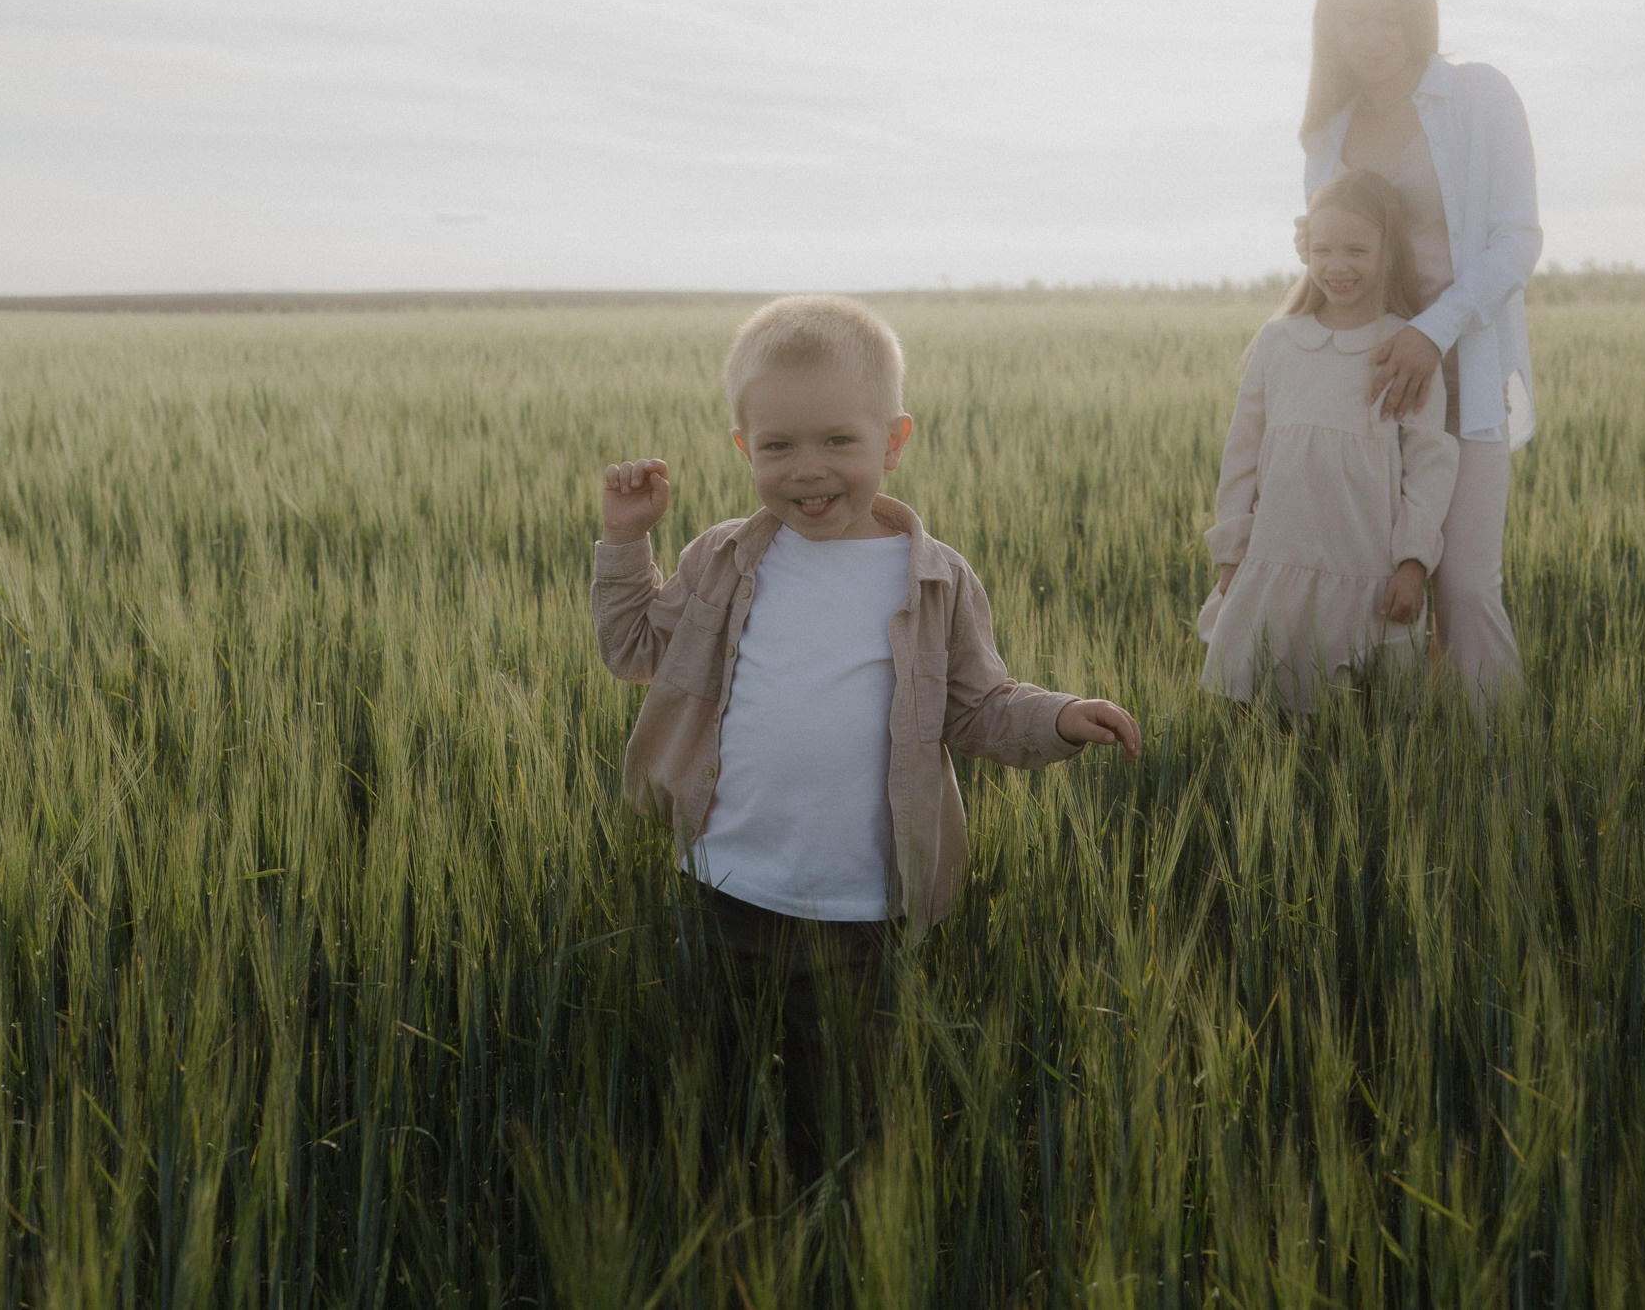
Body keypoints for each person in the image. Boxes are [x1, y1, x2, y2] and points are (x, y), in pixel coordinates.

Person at [592, 293, 1141, 1183]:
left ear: (893, 440)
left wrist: (1058, 717)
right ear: (744, 449)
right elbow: (631, 650)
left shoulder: (933, 579)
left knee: (841, 1113)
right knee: (712, 1094)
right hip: (722, 884)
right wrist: (626, 540)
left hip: (859, 911)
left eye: (838, 441)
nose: (808, 469)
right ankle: (723, 1214)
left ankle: (832, 1230)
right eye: (778, 446)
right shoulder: (723, 560)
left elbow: (977, 704)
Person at [1298, 0, 1542, 703]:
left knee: (1464, 586)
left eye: (1390, 17)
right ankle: (1394, 757)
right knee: (1375, 590)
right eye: (1354, 19)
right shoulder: (1327, 136)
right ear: (1330, 27)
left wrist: (1430, 333)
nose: (1372, 37)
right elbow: (1339, 262)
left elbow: (1517, 239)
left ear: (1418, 15)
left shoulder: (1479, 98)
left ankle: (1497, 761)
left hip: (1465, 374)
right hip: (1370, 385)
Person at [1200, 171, 1461, 711]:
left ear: (1389, 251)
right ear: (1306, 252)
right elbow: (1241, 454)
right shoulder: (1279, 341)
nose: (1337, 266)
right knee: (1252, 709)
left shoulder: (1407, 349)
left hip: (1366, 566)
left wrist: (1413, 564)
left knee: (1357, 720)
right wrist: (1231, 553)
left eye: (1356, 250)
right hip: (1276, 555)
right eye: (1322, 250)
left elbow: (1428, 465)